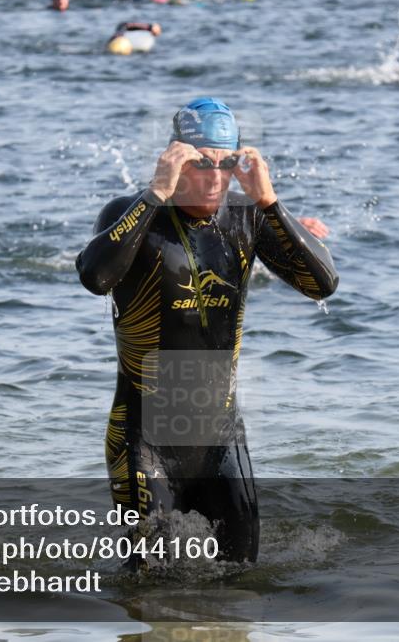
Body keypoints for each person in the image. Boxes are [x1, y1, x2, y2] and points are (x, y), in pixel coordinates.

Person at [76, 97, 338, 563]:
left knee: (240, 585)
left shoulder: (246, 218)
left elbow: (322, 283)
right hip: (145, 439)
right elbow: (95, 277)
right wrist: (155, 193)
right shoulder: (132, 212)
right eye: (202, 164)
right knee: (149, 581)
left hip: (221, 437)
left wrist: (270, 202)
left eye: (227, 163)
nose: (216, 178)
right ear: (176, 158)